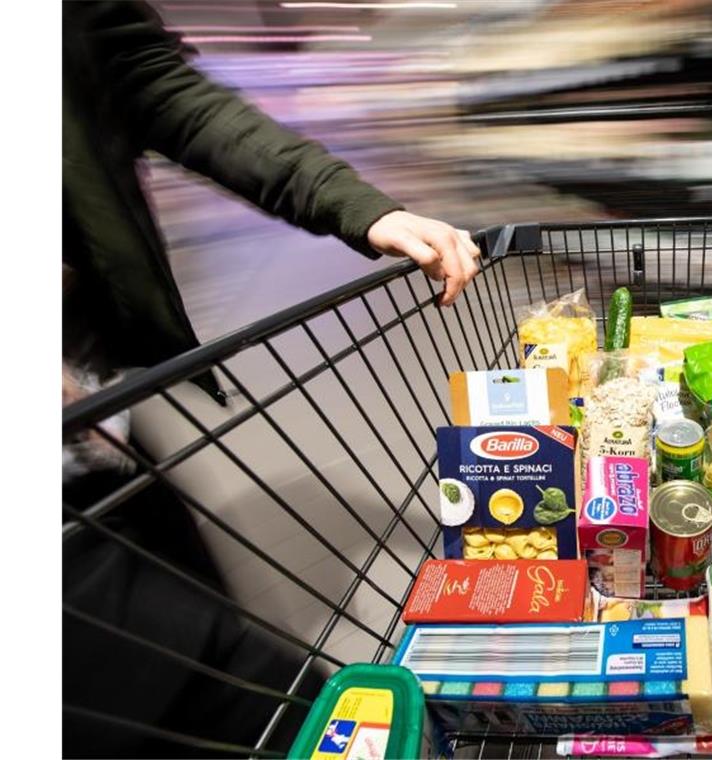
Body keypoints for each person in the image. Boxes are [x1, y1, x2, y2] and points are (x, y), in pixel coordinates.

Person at [62, 2, 478, 756]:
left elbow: (156, 87)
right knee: (235, 701)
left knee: (228, 669)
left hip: (93, 417)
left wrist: (357, 207)